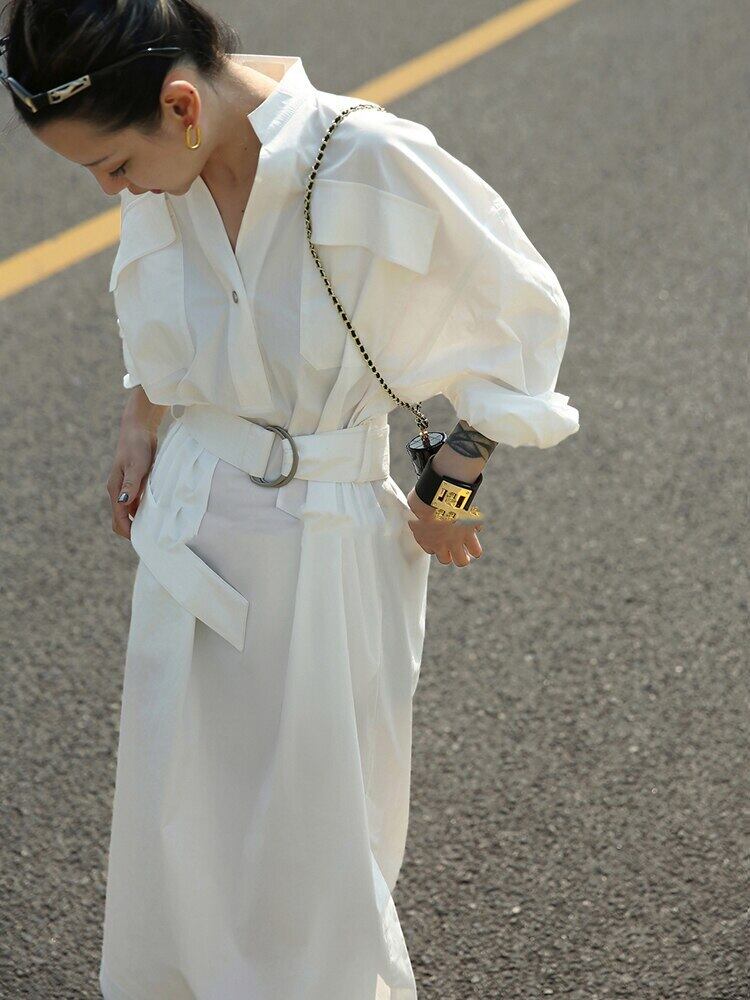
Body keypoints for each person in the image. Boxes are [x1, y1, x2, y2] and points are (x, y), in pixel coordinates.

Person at [1, 1, 580, 997]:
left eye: (113, 164)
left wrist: (449, 492)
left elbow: (519, 319)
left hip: (329, 540)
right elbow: (161, 294)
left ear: (181, 106)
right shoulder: (170, 165)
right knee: (180, 834)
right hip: (191, 524)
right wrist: (142, 415)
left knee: (321, 858)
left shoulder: (367, 159)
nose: (110, 188)